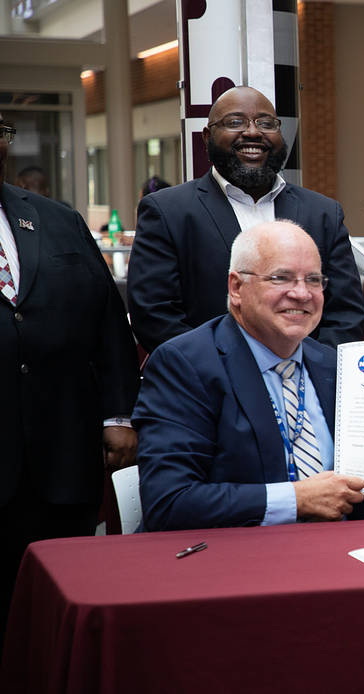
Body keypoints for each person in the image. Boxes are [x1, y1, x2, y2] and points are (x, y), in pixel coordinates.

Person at [134, 220, 364, 531]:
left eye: (313, 280)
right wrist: (295, 499)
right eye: (281, 277)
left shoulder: (335, 366)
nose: (301, 294)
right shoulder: (185, 365)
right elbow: (170, 502)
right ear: (236, 288)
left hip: (344, 557)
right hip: (237, 565)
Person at [0, 113, 139, 640]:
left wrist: (120, 412)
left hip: (64, 458)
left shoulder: (56, 220)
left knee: (59, 616)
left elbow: (107, 323)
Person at [127, 85, 364, 354]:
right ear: (207, 136)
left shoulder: (323, 213)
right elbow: (154, 315)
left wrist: (304, 371)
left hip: (305, 386)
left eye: (266, 123)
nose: (253, 132)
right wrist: (225, 372)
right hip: (210, 385)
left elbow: (346, 315)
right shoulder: (168, 212)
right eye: (235, 122)